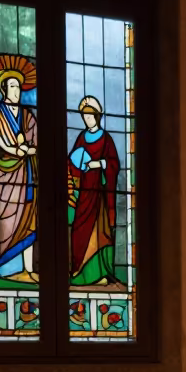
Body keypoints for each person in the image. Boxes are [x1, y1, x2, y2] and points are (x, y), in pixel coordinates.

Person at [0, 56, 38, 281]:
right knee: (9, 220)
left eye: (18, 86)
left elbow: (36, 143)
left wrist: (28, 150)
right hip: (6, 176)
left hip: (27, 174)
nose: (16, 90)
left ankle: (29, 270)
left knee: (29, 221)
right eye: (12, 86)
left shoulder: (26, 116)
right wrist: (16, 150)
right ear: (4, 90)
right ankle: (7, 270)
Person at [68, 96, 121, 285]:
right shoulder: (82, 138)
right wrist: (77, 165)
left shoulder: (106, 139)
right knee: (79, 229)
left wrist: (98, 163)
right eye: (84, 116)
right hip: (84, 191)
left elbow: (114, 164)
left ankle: (101, 273)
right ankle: (80, 272)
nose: (87, 119)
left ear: (97, 117)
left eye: (90, 116)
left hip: (99, 191)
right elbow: (72, 163)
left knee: (101, 231)